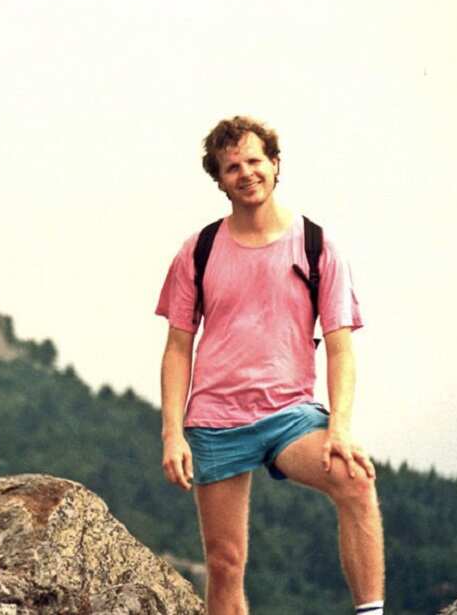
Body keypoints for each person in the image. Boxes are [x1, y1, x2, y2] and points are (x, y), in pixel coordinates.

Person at [155, 115, 385, 615]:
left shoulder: (317, 245)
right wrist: (172, 432)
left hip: (290, 415)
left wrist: (340, 428)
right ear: (219, 180)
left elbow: (341, 347)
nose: (246, 173)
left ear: (276, 165)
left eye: (255, 160)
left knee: (355, 480)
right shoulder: (199, 250)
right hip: (217, 421)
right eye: (231, 166)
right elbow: (178, 347)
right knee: (224, 564)